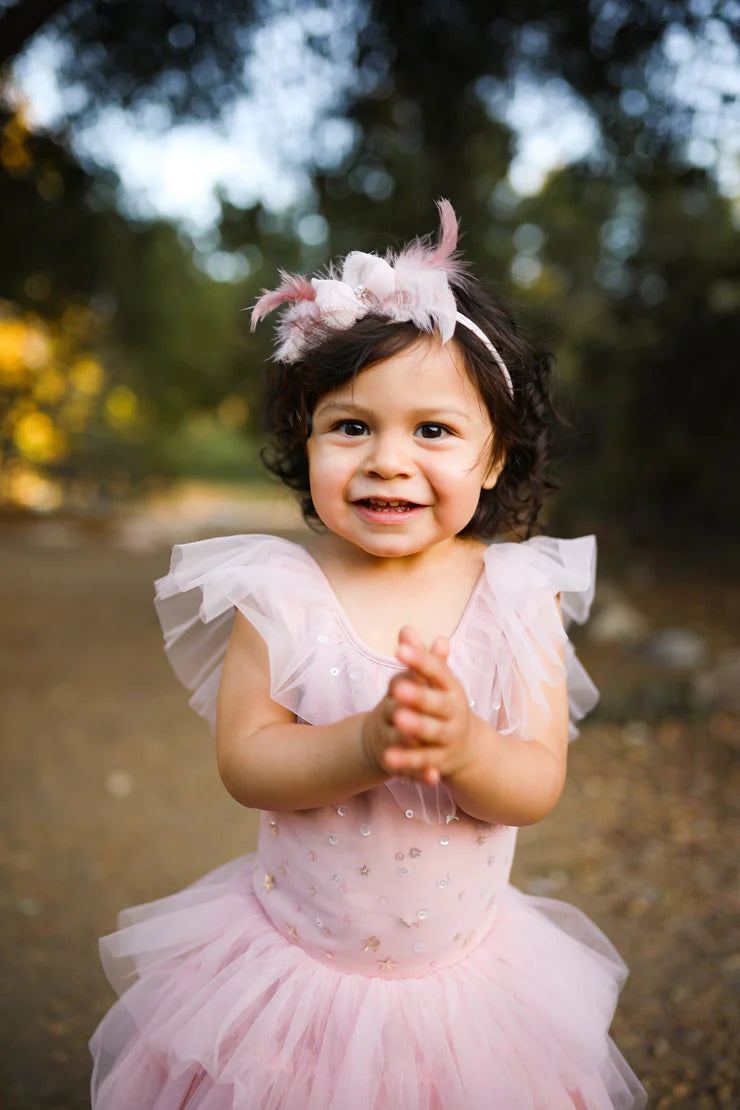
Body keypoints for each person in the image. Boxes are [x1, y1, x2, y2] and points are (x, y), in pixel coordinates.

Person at [89, 200, 647, 1109]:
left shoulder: (518, 597)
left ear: (494, 459)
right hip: (293, 974)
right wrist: (364, 744)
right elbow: (247, 763)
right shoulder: (280, 593)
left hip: (463, 988)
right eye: (351, 427)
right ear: (305, 441)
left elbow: (537, 783)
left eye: (433, 430)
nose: (388, 461)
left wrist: (465, 749)